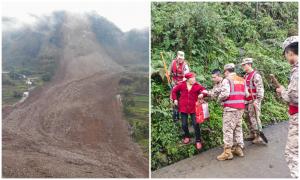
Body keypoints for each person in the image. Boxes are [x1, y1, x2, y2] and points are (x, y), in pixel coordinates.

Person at [276, 36, 298, 178]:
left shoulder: (297, 72)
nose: (286, 58)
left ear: (290, 53)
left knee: (293, 153)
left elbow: (295, 97)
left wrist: (282, 91)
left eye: (286, 55)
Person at [215, 63, 248, 161]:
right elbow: (246, 94)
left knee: (228, 129)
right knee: (238, 128)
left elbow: (225, 93)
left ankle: (227, 152)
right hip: (240, 108)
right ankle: (238, 149)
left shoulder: (227, 80)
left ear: (226, 71)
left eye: (224, 72)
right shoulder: (242, 80)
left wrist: (219, 100)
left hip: (230, 109)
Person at [171, 72, 207, 150]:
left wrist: (202, 94)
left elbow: (204, 91)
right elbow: (174, 91)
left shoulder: (197, 86)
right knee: (184, 124)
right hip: (183, 107)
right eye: (192, 79)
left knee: (196, 124)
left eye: (194, 78)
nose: (194, 80)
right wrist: (175, 99)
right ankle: (187, 136)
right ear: (187, 79)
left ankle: (198, 140)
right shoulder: (182, 85)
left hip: (194, 108)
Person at [241, 58, 265, 144]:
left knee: (254, 118)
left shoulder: (255, 75)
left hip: (254, 100)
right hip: (247, 101)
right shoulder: (246, 75)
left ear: (249, 65)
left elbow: (260, 89)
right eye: (243, 65)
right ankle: (252, 134)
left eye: (244, 65)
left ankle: (258, 136)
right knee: (248, 118)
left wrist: (258, 100)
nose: (243, 66)